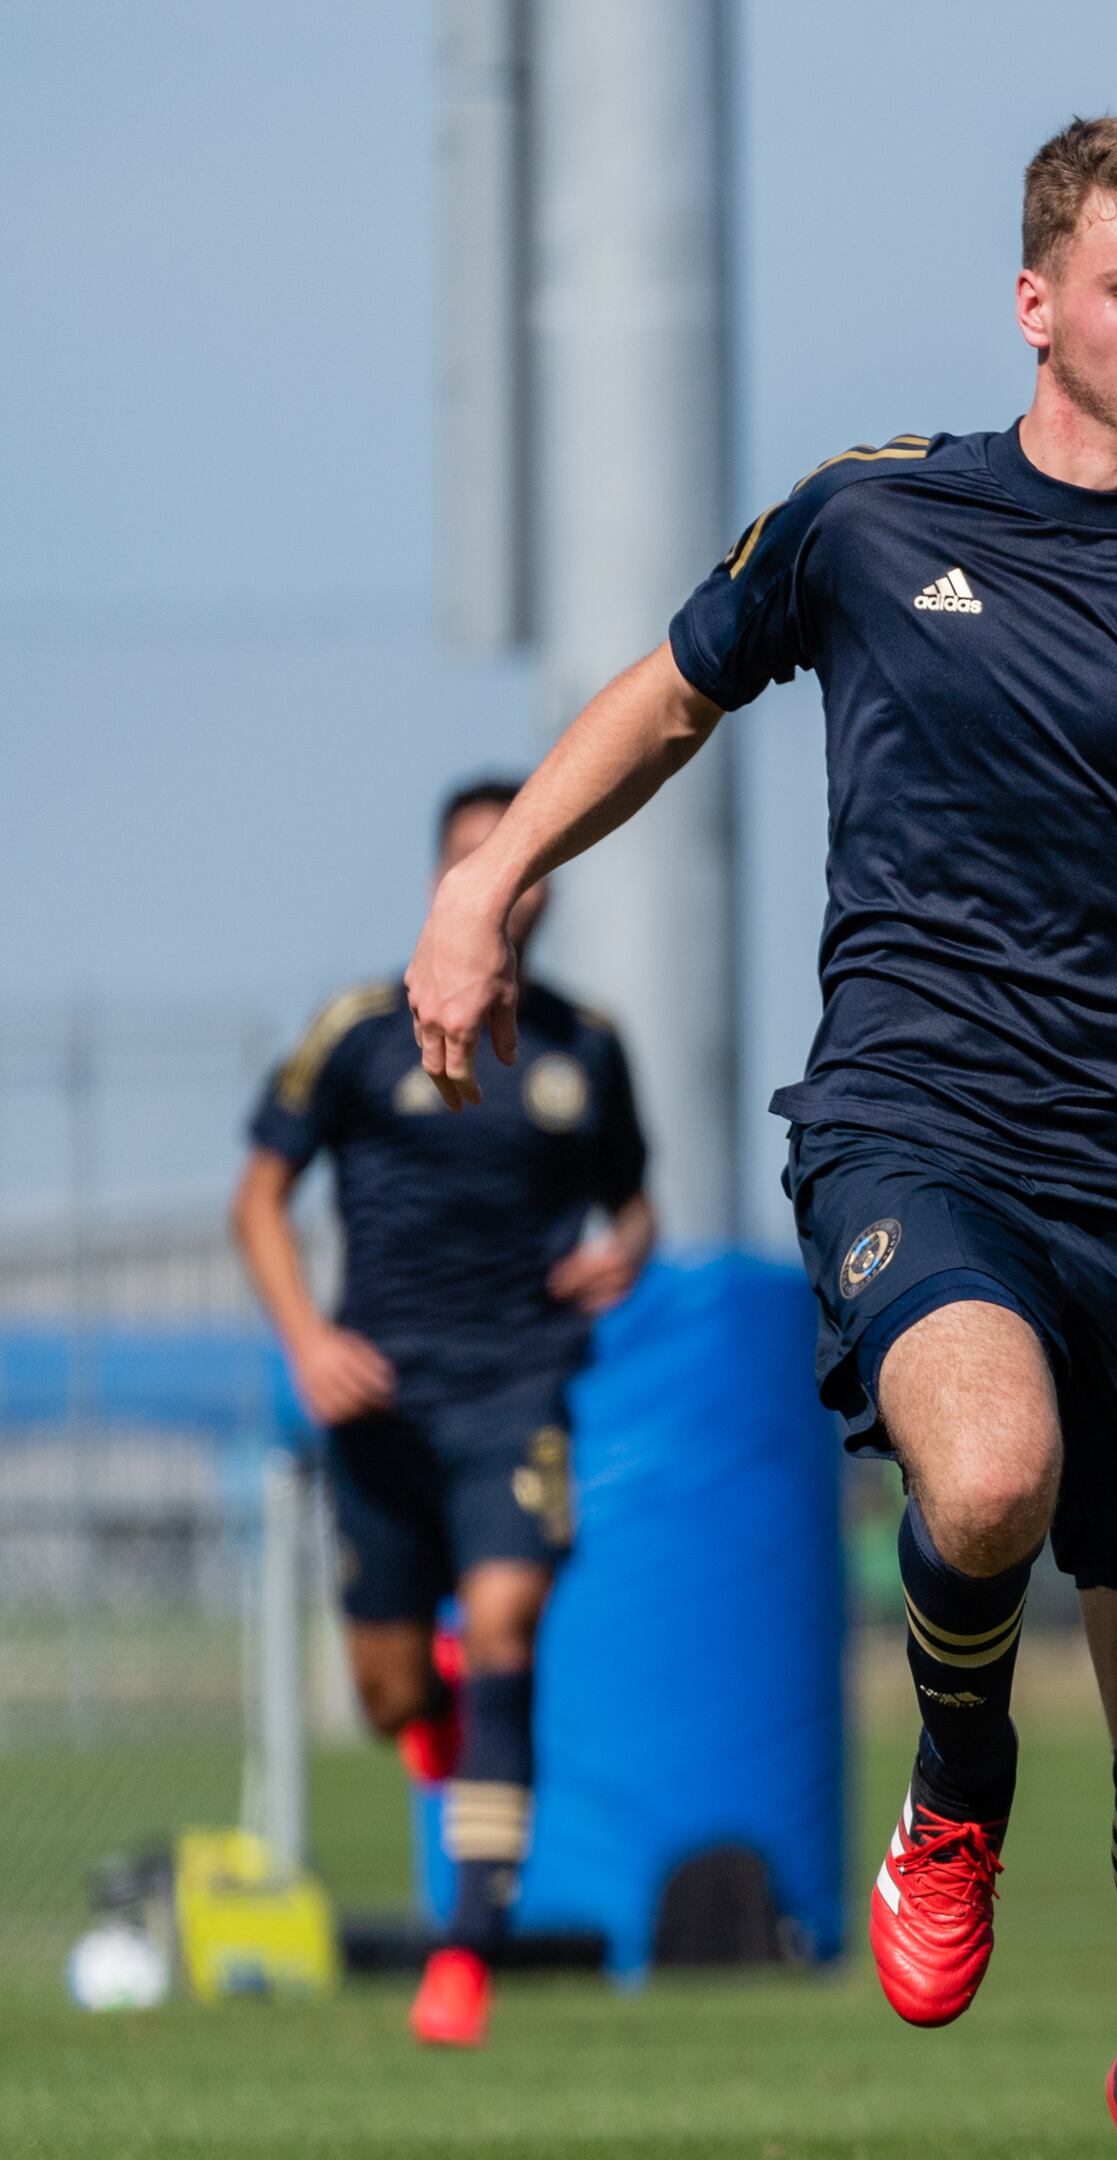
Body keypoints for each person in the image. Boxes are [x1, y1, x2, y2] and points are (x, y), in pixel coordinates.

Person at [400, 117, 1117, 2156]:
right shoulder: (872, 520)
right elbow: (670, 695)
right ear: (1037, 305)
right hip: (911, 1119)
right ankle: (955, 1786)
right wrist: (486, 884)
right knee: (988, 1471)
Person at [231, 777, 653, 2049]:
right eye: (478, 862)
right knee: (386, 1694)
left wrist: (626, 1247)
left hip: (517, 1383)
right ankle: (432, 1701)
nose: (504, 886)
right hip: (378, 1397)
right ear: (441, 884)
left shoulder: (588, 1047)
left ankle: (465, 1952)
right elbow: (257, 1198)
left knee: (514, 1617)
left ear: (548, 886)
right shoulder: (360, 1031)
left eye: (524, 865)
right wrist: (308, 1342)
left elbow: (636, 1204)